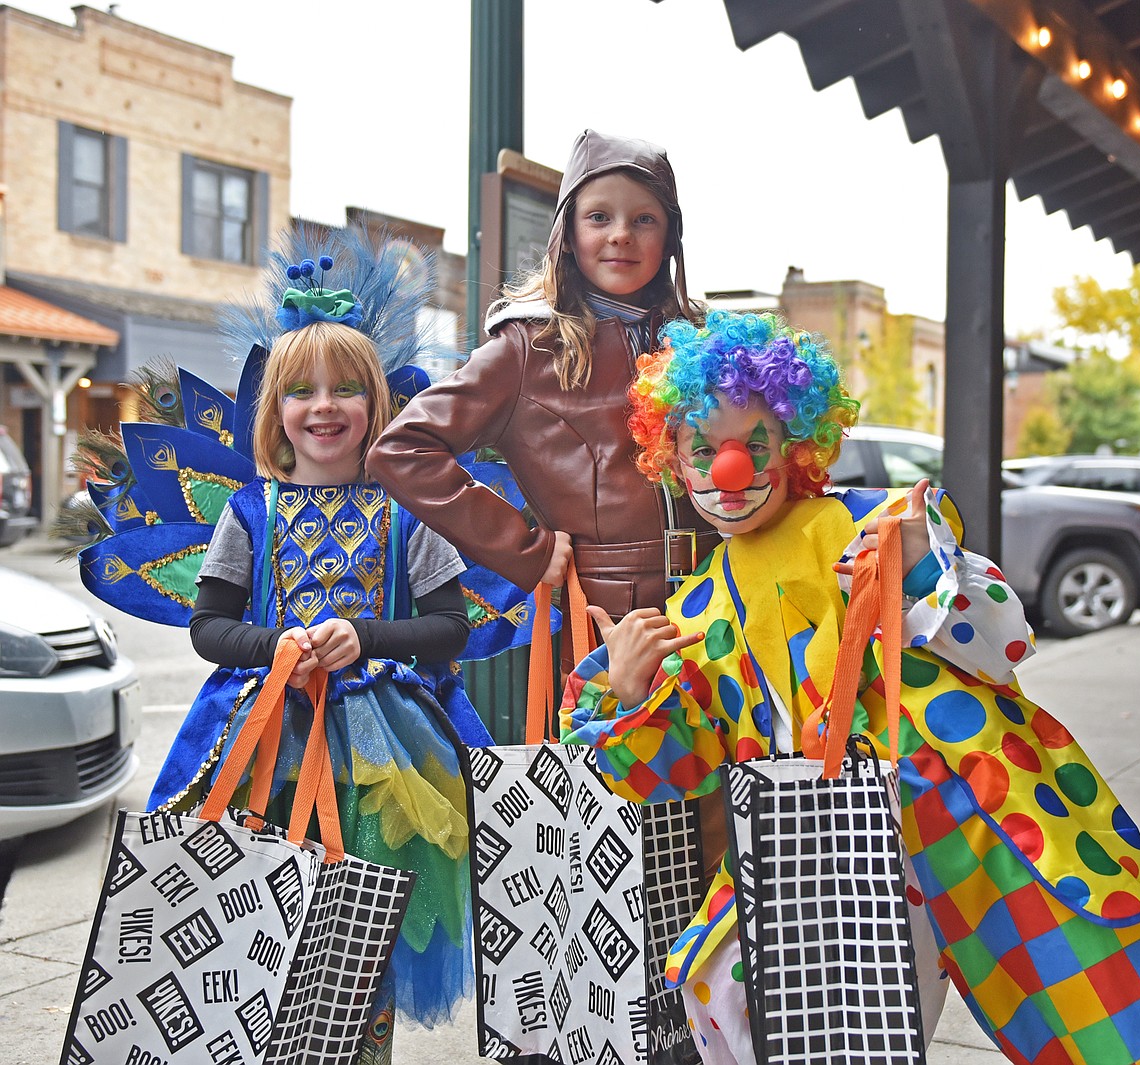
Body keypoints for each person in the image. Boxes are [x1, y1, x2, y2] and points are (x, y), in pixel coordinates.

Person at [560, 309, 1140, 1064]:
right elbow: (670, 769)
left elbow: (1001, 642)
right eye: (703, 449)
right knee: (723, 987)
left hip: (935, 818)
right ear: (674, 461)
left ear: (796, 449)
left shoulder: (869, 527)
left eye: (755, 445)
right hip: (800, 843)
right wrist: (625, 691)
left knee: (1064, 996)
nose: (731, 471)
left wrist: (918, 563)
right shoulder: (698, 608)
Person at [148, 266, 475, 1063]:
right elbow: (209, 626)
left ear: (376, 406)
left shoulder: (410, 510)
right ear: (275, 412)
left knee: (364, 944)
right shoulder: (249, 511)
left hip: (386, 764)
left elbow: (450, 628)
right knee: (263, 931)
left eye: (343, 390)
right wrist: (280, 650)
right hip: (265, 746)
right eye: (300, 390)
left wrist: (366, 638)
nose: (323, 407)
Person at [367, 128, 720, 655]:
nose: (621, 233)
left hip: (720, 589)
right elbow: (401, 450)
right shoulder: (528, 347)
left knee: (723, 735)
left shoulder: (703, 340)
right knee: (620, 737)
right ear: (567, 234)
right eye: (599, 217)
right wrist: (523, 549)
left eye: (644, 218)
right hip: (606, 609)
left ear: (670, 237)